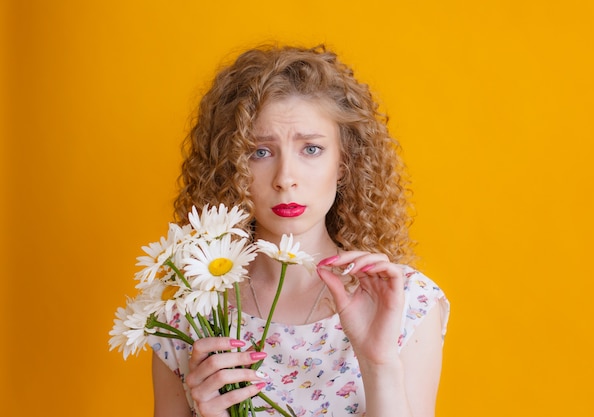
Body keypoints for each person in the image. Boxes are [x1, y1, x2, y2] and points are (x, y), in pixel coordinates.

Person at [150, 44, 449, 417]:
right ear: (229, 165)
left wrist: (379, 364)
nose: (285, 179)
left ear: (344, 162)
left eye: (310, 149)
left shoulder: (405, 303)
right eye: (260, 151)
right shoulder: (187, 314)